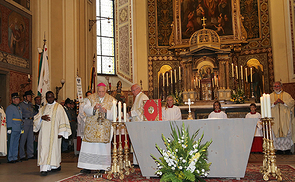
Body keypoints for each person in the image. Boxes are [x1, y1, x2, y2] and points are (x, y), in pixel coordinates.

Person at [78, 83, 116, 174]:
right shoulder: (90, 98)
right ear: (97, 90)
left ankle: (103, 167)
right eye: (99, 91)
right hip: (92, 127)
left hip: (104, 128)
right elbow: (85, 109)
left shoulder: (112, 100)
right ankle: (87, 167)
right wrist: (93, 108)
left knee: (102, 147)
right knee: (89, 147)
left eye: (103, 91)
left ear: (105, 90)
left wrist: (106, 111)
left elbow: (115, 114)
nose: (101, 93)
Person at [33, 91, 71, 176]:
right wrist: (41, 118)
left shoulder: (59, 107)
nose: (50, 99)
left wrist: (61, 132)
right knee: (44, 149)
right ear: (46, 99)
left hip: (54, 133)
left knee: (54, 151)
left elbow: (63, 119)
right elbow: (36, 119)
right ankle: (44, 169)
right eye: (49, 97)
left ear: (54, 97)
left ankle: (54, 166)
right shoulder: (43, 108)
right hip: (44, 134)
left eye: (52, 97)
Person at [270, 81, 295, 154]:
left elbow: (292, 102)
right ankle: (278, 149)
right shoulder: (270, 96)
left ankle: (287, 149)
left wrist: (283, 102)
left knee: (287, 131)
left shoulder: (287, 95)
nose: (276, 88)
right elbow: (266, 104)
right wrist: (274, 103)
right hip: (275, 118)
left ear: (281, 87)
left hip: (285, 118)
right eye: (275, 86)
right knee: (276, 132)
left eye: (278, 86)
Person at [6, 93, 22, 163]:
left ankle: (15, 157)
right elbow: (9, 118)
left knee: (16, 143)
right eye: (16, 99)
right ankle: (10, 158)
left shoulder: (18, 108)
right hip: (12, 128)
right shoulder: (10, 108)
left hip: (18, 128)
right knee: (11, 143)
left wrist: (21, 128)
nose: (18, 100)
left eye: (18, 98)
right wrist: (9, 128)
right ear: (13, 100)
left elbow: (21, 118)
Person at [19, 90, 35, 161]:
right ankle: (22, 155)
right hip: (24, 122)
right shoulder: (21, 105)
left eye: (30, 96)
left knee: (30, 139)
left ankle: (30, 154)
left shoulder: (31, 105)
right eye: (28, 96)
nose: (30, 97)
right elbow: (20, 114)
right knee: (23, 139)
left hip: (31, 122)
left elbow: (33, 113)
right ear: (25, 97)